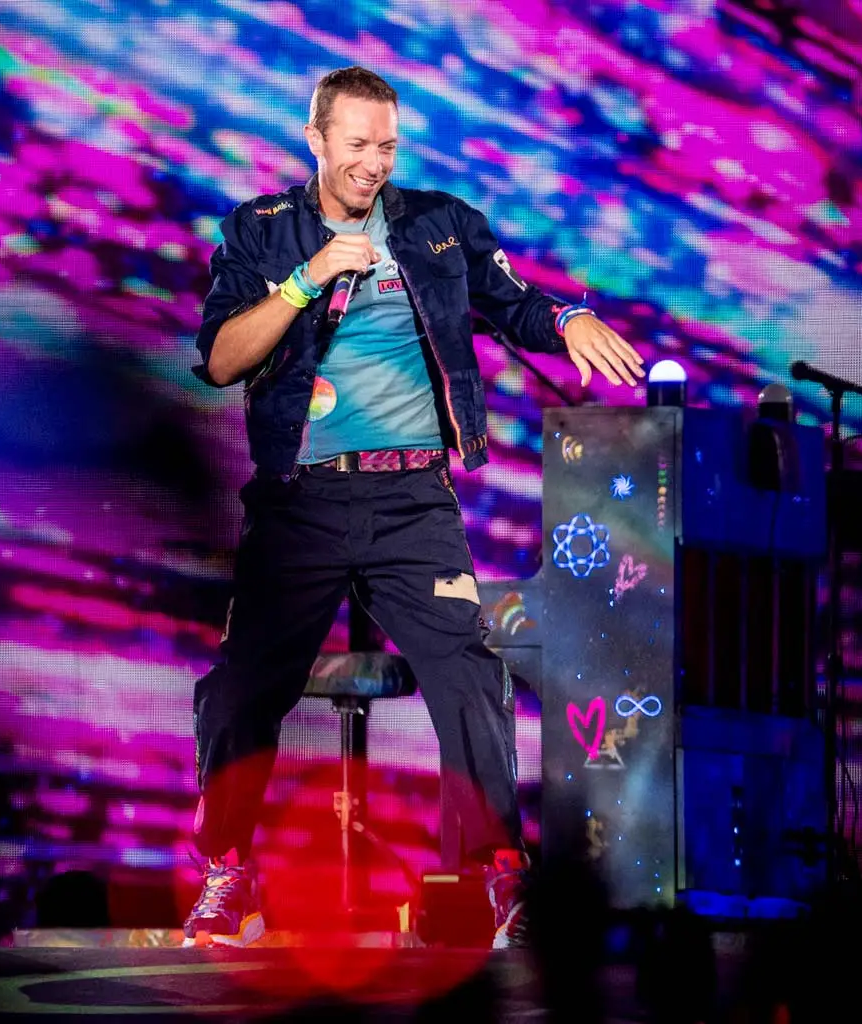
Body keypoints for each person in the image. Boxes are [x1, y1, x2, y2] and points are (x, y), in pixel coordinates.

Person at [185, 66, 645, 949]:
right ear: (315, 140)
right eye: (357, 145)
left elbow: (514, 306)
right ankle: (229, 873)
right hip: (300, 502)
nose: (373, 163)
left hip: (411, 501)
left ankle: (503, 876)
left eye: (387, 146)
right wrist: (305, 280)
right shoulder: (260, 229)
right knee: (239, 689)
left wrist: (568, 320)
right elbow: (220, 360)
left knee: (472, 674)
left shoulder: (439, 225)